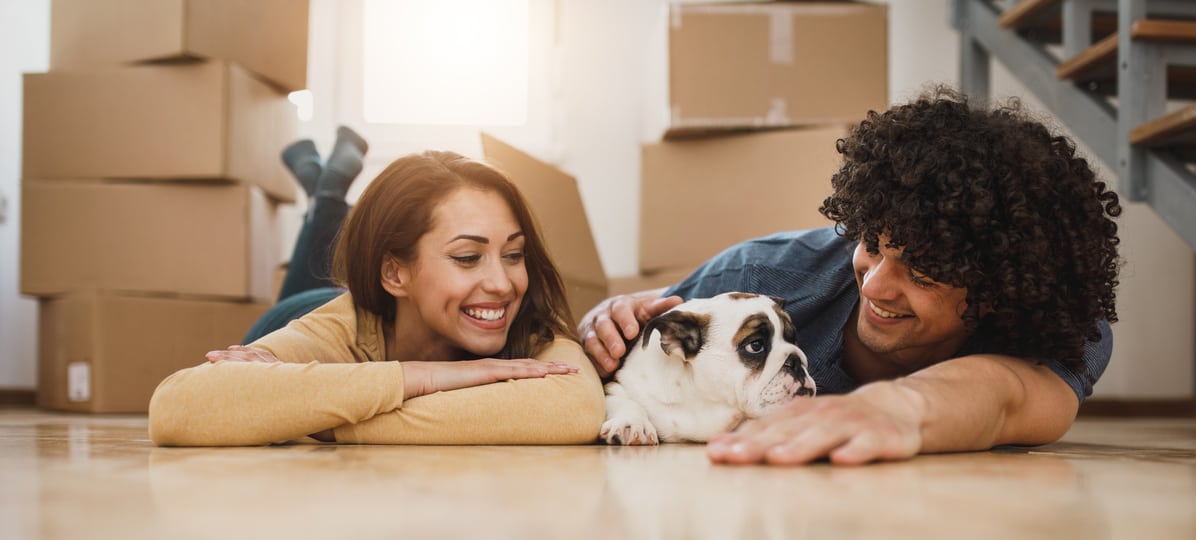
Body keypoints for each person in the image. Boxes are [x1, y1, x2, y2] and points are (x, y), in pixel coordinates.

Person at [580, 86, 1121, 466]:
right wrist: (603, 324)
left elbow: (1009, 396)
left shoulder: (1062, 327)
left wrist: (896, 407)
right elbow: (630, 350)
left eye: (924, 272)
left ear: (1002, 289)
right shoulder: (759, 273)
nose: (877, 285)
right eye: (873, 244)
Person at [148, 128, 605, 447]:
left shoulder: (532, 323)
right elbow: (176, 409)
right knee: (312, 284)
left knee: (322, 268)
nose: (503, 283)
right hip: (307, 310)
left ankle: (323, 192)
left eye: (513, 254)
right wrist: (422, 378)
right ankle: (325, 195)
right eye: (467, 257)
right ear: (394, 273)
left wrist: (320, 422)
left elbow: (574, 409)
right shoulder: (336, 329)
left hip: (384, 309)